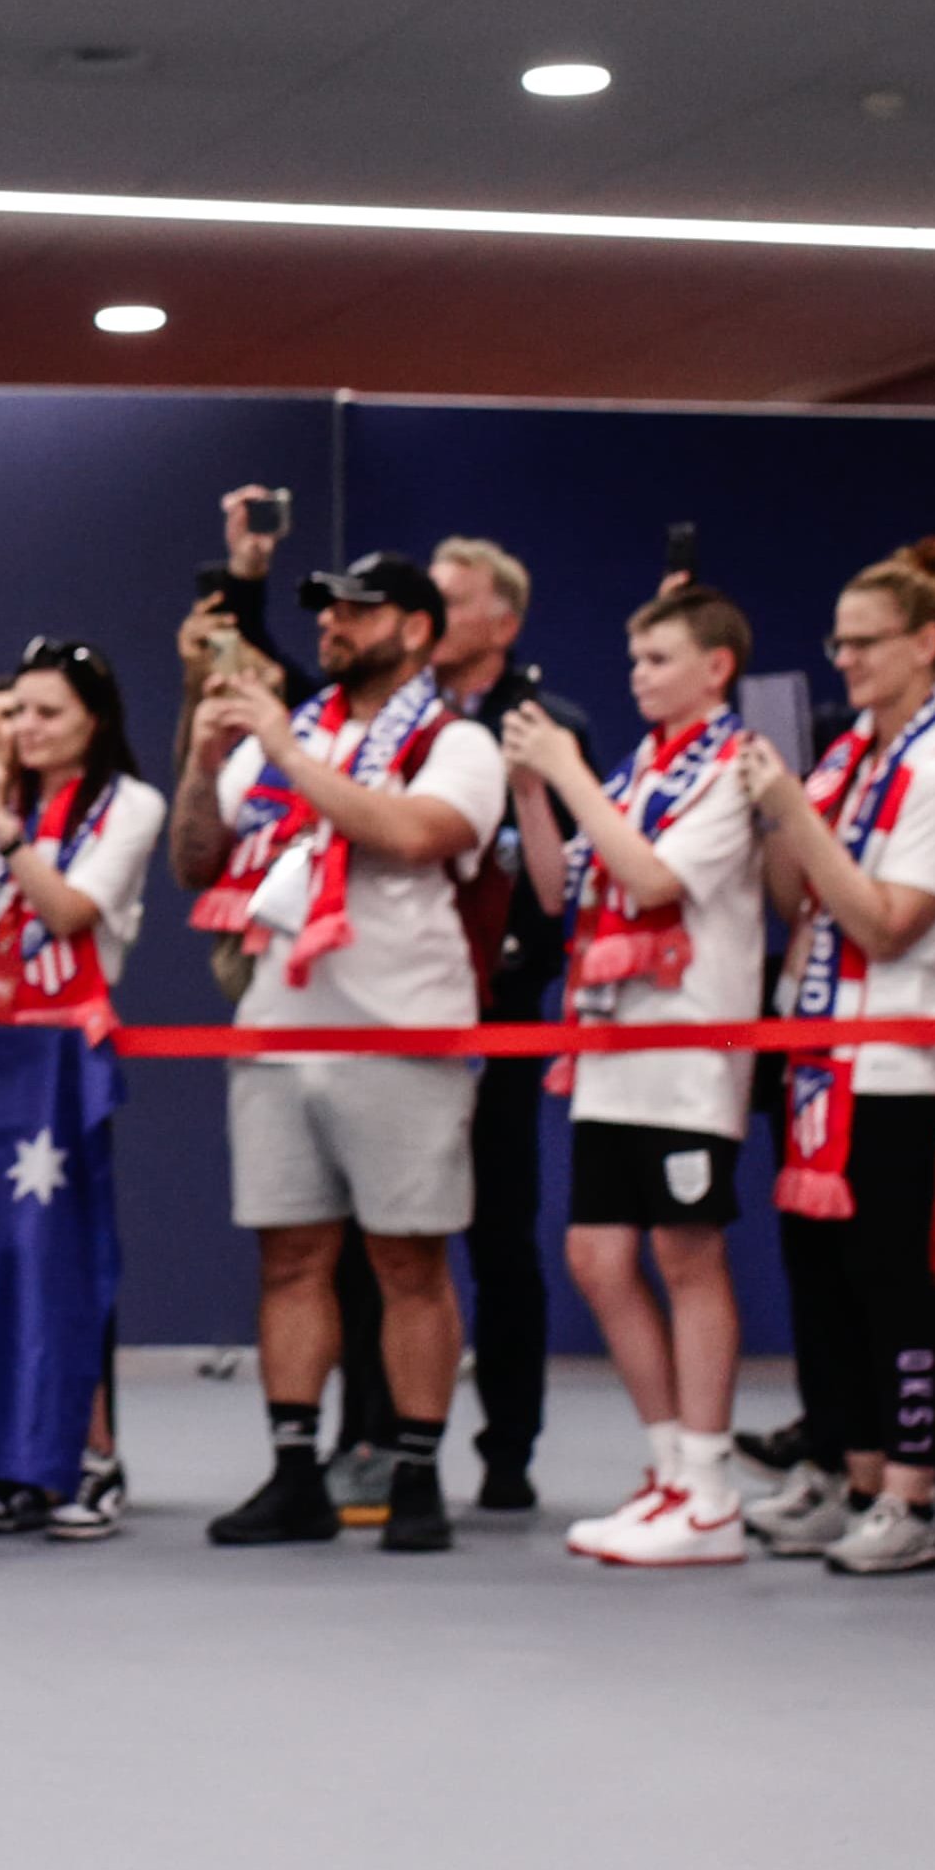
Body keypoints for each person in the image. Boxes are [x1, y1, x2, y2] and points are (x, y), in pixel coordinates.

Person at [174, 551, 506, 1557]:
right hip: (278, 1022)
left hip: (401, 1026)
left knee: (408, 1256)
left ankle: (412, 1471)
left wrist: (285, 749)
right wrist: (200, 762)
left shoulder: (456, 743)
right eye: (322, 611)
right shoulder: (288, 736)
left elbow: (411, 832)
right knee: (289, 1253)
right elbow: (198, 857)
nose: (329, 627)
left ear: (413, 628)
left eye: (354, 612)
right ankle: (291, 1471)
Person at [737, 558, 935, 1577]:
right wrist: (775, 812)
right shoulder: (851, 758)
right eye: (837, 641)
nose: (843, 658)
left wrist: (796, 814)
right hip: (815, 1061)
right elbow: (795, 900)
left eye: (865, 640)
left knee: (896, 1290)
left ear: (925, 645)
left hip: (894, 1068)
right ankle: (852, 1478)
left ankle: (913, 1492)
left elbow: (887, 924)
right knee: (823, 1287)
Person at [508, 584, 763, 1568]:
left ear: (715, 666)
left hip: (693, 1044)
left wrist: (565, 771)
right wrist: (534, 791)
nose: (638, 674)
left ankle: (710, 1487)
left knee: (686, 1253)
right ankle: (666, 1468)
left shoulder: (730, 768)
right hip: (612, 1039)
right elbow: (556, 884)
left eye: (658, 657)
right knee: (596, 1256)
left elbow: (656, 880)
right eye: (634, 658)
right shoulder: (640, 767)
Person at [0, 636, 161, 1538]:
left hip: (64, 1060)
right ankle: (10, 1454)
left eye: (48, 712)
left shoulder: (127, 805)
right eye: (16, 711)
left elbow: (67, 913)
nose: (25, 728)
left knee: (63, 1262)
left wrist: (4, 822)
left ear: (93, 722)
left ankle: (90, 1456)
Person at [421, 538, 587, 1508]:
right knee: (388, 1236)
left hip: (505, 1015)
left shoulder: (549, 728)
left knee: (500, 1239)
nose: (433, 617)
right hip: (401, 1008)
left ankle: (507, 1449)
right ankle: (384, 1439)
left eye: (453, 601)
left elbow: (566, 887)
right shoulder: (395, 727)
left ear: (503, 621)